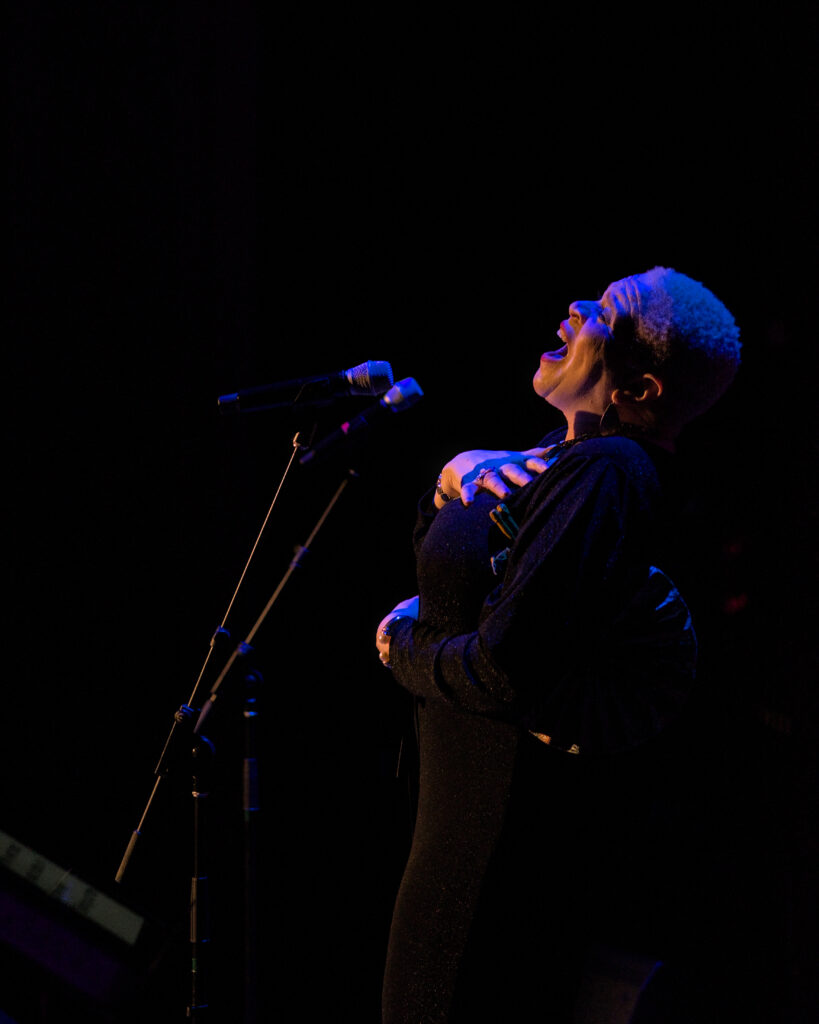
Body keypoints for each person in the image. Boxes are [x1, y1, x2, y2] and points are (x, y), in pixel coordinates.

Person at [375, 267, 743, 1023]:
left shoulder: (609, 471)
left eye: (606, 313)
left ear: (637, 390)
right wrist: (452, 487)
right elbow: (467, 591)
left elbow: (501, 671)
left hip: (490, 841)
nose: (575, 308)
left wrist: (398, 647)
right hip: (463, 823)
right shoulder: (563, 459)